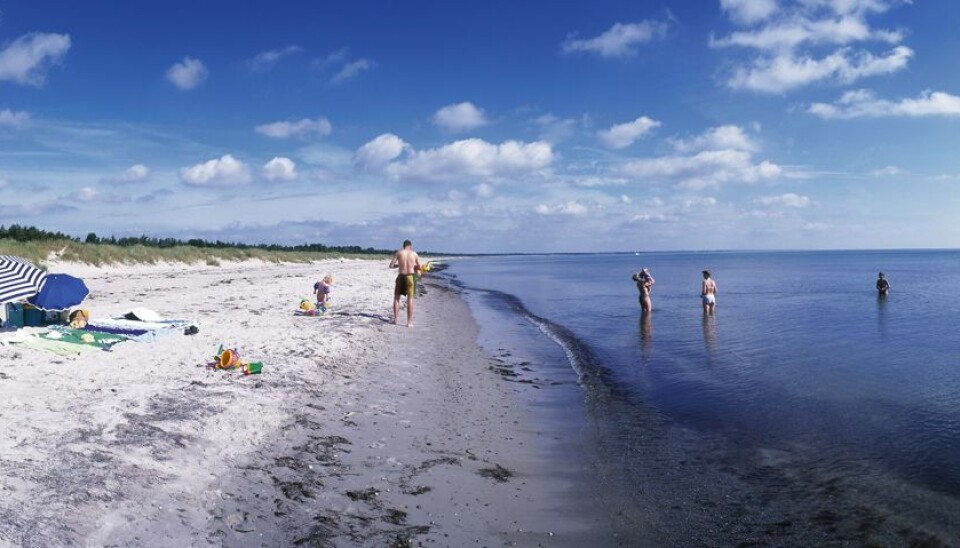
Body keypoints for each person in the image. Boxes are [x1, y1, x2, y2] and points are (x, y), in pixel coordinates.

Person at [389, 239, 422, 327]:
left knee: (396, 298)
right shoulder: (414, 254)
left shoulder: (399, 253)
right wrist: (415, 268)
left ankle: (395, 320)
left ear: (403, 246)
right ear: (410, 246)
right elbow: (419, 268)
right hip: (410, 277)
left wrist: (399, 265)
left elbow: (391, 266)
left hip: (401, 276)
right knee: (410, 299)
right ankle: (409, 322)